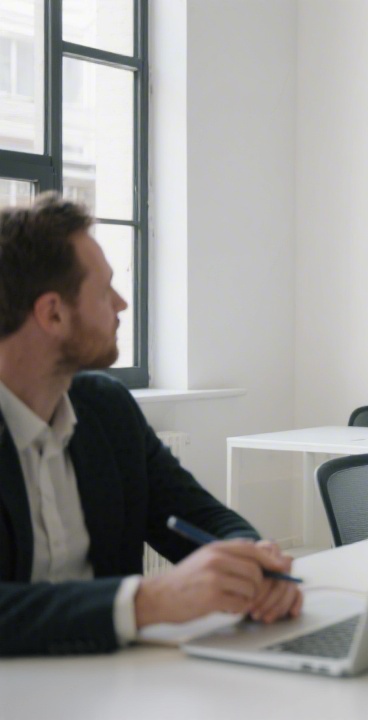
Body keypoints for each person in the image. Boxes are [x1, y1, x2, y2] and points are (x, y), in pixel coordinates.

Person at [0, 194, 302, 656]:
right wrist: (146, 601)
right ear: (53, 313)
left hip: (115, 685)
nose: (122, 304)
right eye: (104, 291)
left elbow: (198, 517)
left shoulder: (107, 408)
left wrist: (251, 561)